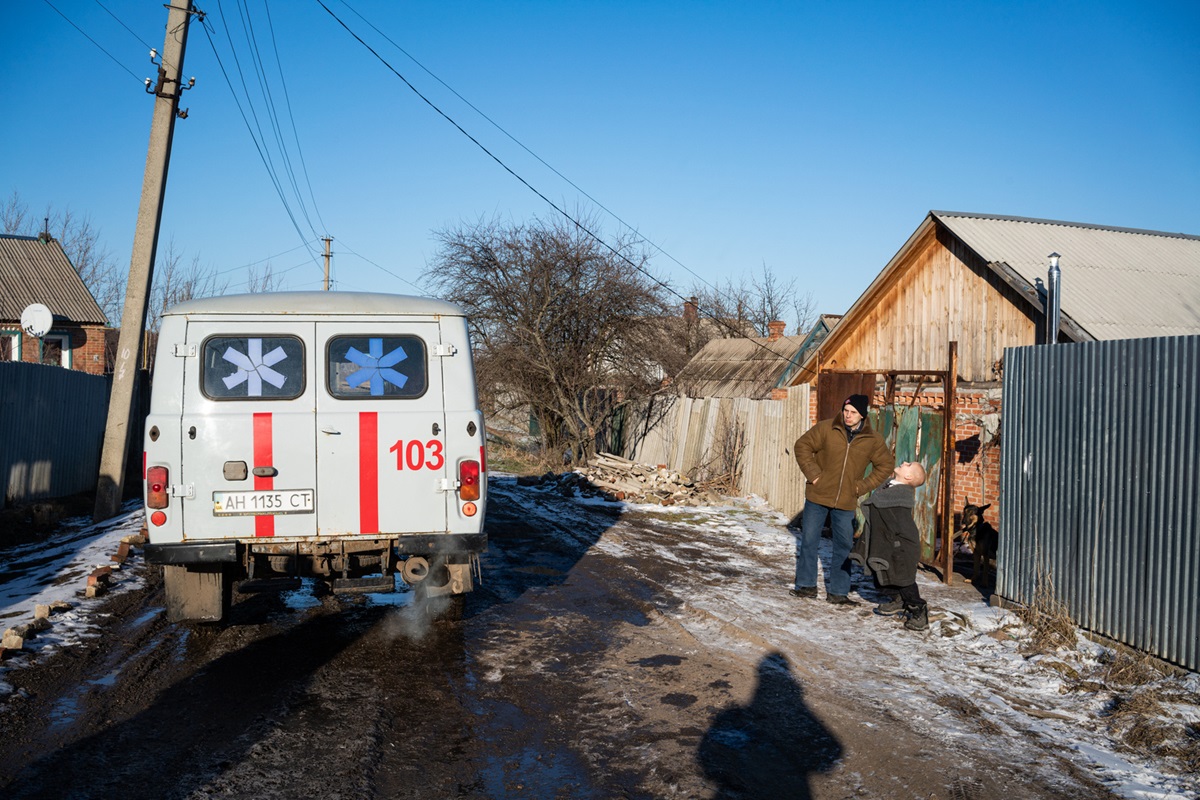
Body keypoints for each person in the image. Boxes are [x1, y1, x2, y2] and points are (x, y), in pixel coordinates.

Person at [791, 394, 894, 605]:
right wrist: (814, 475)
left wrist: (861, 486)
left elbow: (885, 466)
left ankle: (838, 592)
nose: (847, 416)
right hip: (818, 495)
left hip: (846, 501)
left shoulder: (872, 440)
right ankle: (806, 586)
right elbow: (802, 446)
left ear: (862, 415)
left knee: (844, 547)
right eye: (846, 411)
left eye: (853, 413)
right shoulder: (826, 428)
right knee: (809, 542)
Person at [852, 460, 929, 631]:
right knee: (882, 575)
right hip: (890, 541)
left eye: (909, 464)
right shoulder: (891, 488)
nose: (905, 462)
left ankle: (919, 612)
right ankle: (897, 600)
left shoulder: (899, 499)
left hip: (901, 545)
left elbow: (900, 526)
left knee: (903, 580)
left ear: (908, 476)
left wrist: (893, 547)